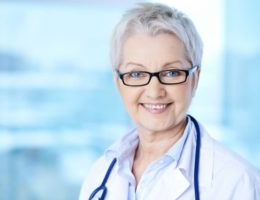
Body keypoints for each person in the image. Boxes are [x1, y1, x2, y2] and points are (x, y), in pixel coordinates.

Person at [79, 2, 260, 200]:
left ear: (195, 79)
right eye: (137, 73)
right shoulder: (100, 175)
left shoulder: (239, 183)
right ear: (118, 82)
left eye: (171, 72)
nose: (155, 91)